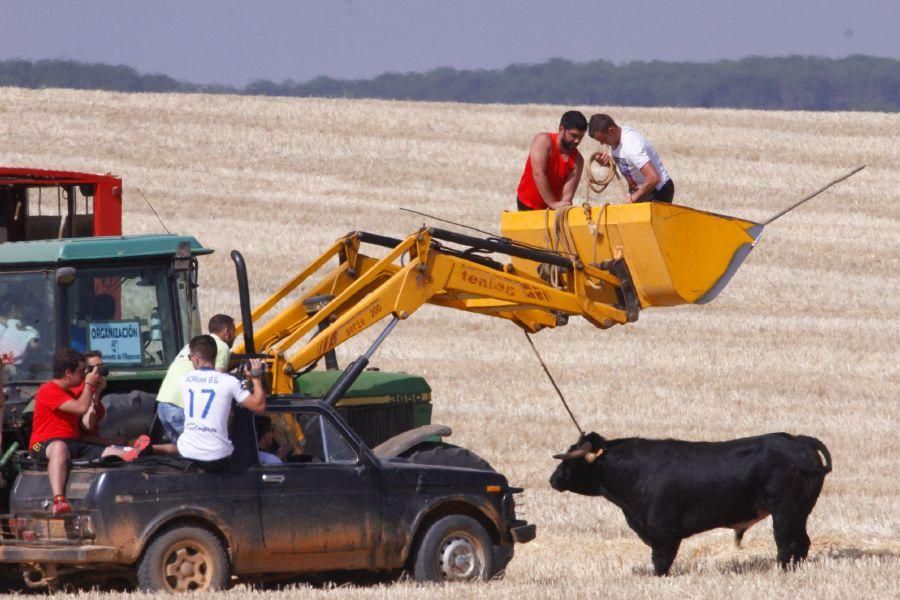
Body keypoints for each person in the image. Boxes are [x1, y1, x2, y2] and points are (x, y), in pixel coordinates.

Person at [29, 349, 149, 515]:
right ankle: (59, 500)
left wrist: (96, 391)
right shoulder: (48, 390)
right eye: (81, 371)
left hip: (74, 443)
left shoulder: (73, 392)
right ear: (68, 373)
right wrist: (89, 384)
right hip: (43, 444)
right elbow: (80, 408)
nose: (85, 374)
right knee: (59, 448)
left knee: (120, 453)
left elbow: (87, 426)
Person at [176, 335, 265, 471]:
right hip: (216, 456)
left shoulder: (184, 380)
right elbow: (259, 406)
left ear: (195, 358)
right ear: (215, 355)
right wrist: (256, 379)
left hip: (187, 452)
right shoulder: (229, 382)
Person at [155, 314, 236, 443]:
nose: (235, 335)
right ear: (226, 331)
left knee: (183, 452)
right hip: (181, 408)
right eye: (234, 330)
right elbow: (218, 382)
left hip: (163, 406)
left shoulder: (192, 345)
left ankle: (146, 451)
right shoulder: (221, 346)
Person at [587, 113, 675, 204]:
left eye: (603, 140)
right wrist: (606, 160)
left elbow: (653, 178)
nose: (602, 144)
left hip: (658, 191)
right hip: (642, 191)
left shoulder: (632, 145)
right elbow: (623, 157)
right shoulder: (615, 136)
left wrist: (633, 199)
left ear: (611, 131)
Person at [516, 111, 587, 211]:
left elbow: (567, 195)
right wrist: (552, 203)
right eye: (573, 136)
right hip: (527, 204)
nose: (577, 141)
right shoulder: (543, 141)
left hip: (552, 211)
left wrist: (560, 208)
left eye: (580, 137)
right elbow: (538, 173)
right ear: (561, 129)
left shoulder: (578, 161)